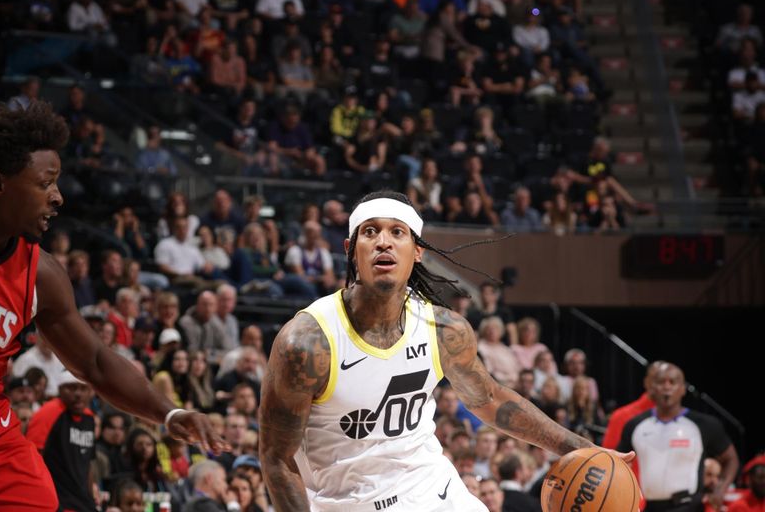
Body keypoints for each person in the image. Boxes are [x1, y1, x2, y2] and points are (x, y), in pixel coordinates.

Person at [258, 190, 632, 511]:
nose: (383, 242)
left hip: (435, 493)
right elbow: (276, 457)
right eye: (370, 232)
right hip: (348, 502)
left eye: (397, 232)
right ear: (351, 250)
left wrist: (581, 448)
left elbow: (490, 400)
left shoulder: (443, 329)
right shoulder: (307, 342)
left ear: (417, 251)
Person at [0, 102, 225, 510]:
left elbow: (96, 364)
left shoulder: (40, 275)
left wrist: (170, 415)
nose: (58, 198)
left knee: (34, 498)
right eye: (45, 183)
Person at [618, 362, 739, 512]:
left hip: (690, 506)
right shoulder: (634, 425)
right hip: (650, 507)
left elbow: (731, 459)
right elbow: (619, 464)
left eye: (673, 382)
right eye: (661, 382)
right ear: (651, 388)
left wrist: (720, 489)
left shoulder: (704, 425)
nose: (667, 386)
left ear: (682, 389)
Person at [25, 369, 96, 511]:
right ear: (60, 389)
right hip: (57, 500)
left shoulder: (89, 418)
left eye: (83, 388)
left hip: (82, 500)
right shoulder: (48, 413)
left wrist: (92, 494)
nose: (78, 394)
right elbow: (31, 458)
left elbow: (87, 462)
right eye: (71, 388)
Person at [601, 360, 663, 450]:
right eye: (658, 380)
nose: (666, 386)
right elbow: (607, 458)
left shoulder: (685, 421)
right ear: (646, 382)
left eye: (671, 381)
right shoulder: (621, 417)